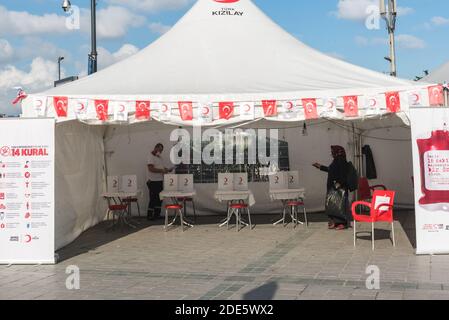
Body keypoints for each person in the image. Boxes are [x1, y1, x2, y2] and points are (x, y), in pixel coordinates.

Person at [313, 145, 351, 230]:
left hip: (339, 188)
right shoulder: (336, 160)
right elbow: (331, 170)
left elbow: (344, 175)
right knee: (332, 205)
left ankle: (343, 223)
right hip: (333, 187)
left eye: (332, 151)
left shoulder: (341, 160)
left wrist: (339, 184)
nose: (331, 153)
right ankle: (334, 222)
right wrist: (320, 167)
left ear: (337, 152)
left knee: (339, 206)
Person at [147, 143, 172, 220]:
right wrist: (162, 170)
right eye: (159, 150)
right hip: (152, 181)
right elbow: (150, 169)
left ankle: (157, 215)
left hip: (159, 180)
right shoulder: (150, 156)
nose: (160, 152)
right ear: (155, 148)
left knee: (159, 199)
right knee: (153, 199)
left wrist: (167, 169)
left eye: (161, 151)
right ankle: (150, 216)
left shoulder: (160, 157)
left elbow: (161, 167)